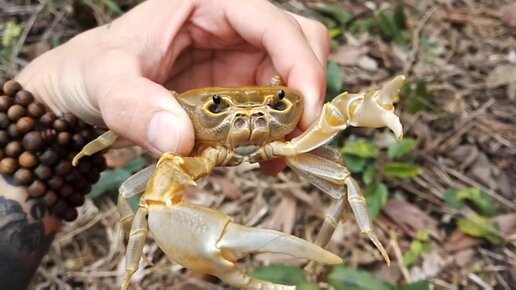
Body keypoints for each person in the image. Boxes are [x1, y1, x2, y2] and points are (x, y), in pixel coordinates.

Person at [0, 0, 330, 288]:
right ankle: (131, 267)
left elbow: (349, 116)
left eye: (279, 103)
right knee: (139, 197)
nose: (247, 122)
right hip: (195, 151)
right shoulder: (177, 136)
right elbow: (132, 191)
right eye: (218, 106)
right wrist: (59, 111)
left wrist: (47, 98)